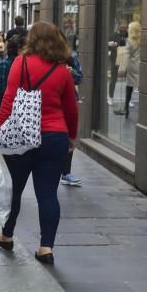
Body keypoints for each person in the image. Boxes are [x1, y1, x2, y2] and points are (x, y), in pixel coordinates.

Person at [0, 21, 78, 265]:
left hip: (22, 136)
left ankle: (6, 235)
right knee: (48, 194)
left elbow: (9, 98)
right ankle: (46, 247)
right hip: (54, 137)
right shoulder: (62, 71)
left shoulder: (21, 63)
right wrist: (72, 136)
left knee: (14, 189)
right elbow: (71, 108)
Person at [61, 41, 83, 187]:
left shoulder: (71, 55)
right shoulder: (44, 55)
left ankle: (66, 172)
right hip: (49, 98)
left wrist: (71, 72)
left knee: (68, 133)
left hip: (68, 98)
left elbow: (79, 77)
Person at [0, 36, 22, 123]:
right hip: (4, 112)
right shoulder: (4, 65)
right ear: (18, 50)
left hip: (16, 112)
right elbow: (1, 90)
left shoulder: (24, 65)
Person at [120, 21, 141, 119]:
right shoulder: (142, 40)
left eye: (129, 28)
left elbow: (126, 55)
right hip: (141, 66)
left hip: (132, 67)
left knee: (129, 88)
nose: (127, 29)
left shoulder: (129, 41)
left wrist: (122, 68)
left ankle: (126, 108)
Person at [107, 20, 128, 104]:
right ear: (118, 26)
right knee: (113, 79)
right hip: (115, 60)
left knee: (128, 80)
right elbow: (108, 47)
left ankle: (127, 99)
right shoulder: (113, 35)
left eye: (125, 27)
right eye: (122, 27)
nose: (123, 29)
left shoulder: (127, 35)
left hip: (125, 59)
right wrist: (111, 47)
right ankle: (110, 97)